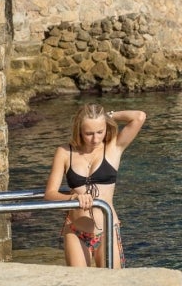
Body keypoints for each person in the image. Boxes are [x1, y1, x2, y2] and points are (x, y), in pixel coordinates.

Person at [44, 104, 146, 268]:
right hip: (75, 231)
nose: (95, 139)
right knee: (79, 282)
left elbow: (139, 116)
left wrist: (108, 116)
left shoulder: (114, 148)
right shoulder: (64, 152)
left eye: (100, 131)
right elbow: (49, 194)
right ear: (79, 130)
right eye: (89, 133)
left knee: (111, 281)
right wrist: (73, 197)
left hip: (108, 230)